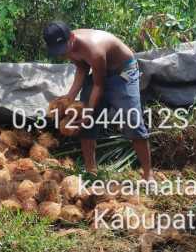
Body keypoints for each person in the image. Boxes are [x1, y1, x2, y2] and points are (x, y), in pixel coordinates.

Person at [43, 22, 153, 181]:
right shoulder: (67, 45)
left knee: (133, 121)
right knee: (86, 124)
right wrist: (69, 98)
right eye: (58, 51)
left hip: (122, 74)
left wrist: (88, 112)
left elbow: (99, 85)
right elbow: (82, 68)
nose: (63, 54)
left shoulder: (94, 49)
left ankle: (149, 174)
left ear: (72, 38)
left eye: (64, 49)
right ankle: (91, 171)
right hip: (97, 75)